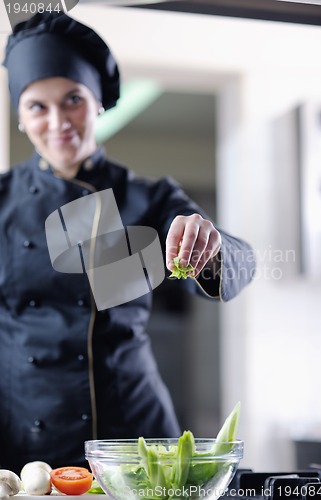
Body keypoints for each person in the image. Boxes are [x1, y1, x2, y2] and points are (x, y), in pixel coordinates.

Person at [0, 11, 255, 474]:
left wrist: (209, 248)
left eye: (73, 99)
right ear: (19, 115)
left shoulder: (149, 197)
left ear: (97, 102)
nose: (58, 121)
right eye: (38, 106)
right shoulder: (1, 203)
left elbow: (243, 261)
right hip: (24, 440)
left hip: (133, 433)